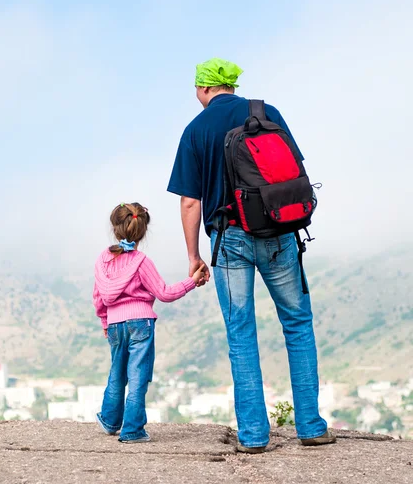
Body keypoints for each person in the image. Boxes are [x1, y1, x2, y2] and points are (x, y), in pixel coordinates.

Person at [167, 57, 336, 453]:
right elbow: (295, 172)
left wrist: (193, 255)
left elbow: (191, 202)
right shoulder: (266, 112)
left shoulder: (195, 130)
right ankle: (310, 427)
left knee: (241, 334)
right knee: (297, 324)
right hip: (278, 232)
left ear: (205, 88)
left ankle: (255, 436)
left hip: (230, 241)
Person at [93, 202, 206, 443]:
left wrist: (105, 321)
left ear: (115, 228)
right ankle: (132, 430)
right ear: (142, 231)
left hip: (114, 324)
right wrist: (192, 282)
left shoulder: (103, 260)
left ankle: (110, 420)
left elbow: (98, 296)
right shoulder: (141, 262)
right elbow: (164, 293)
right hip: (141, 322)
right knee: (137, 376)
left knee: (116, 372)